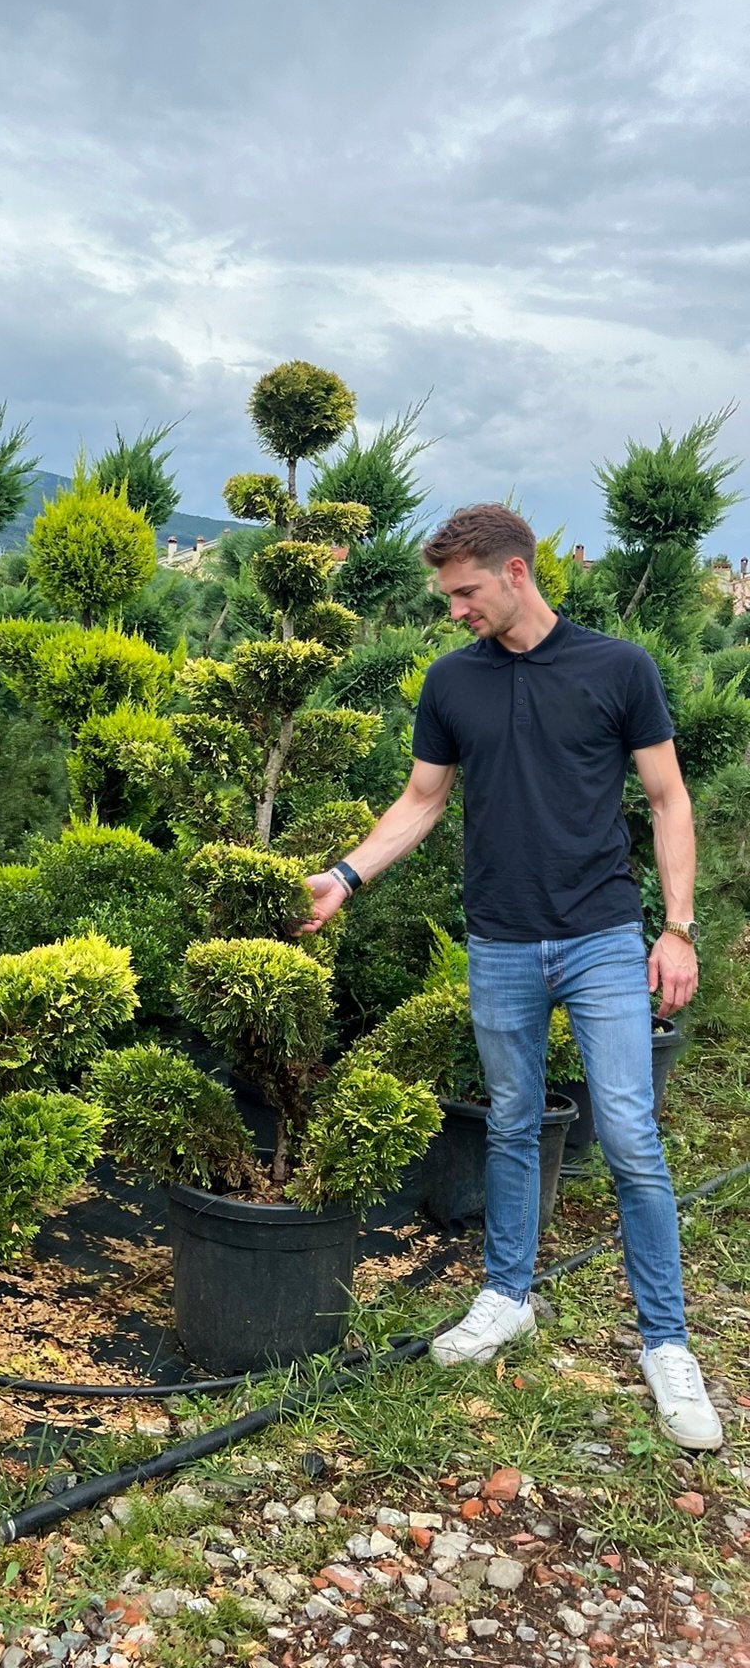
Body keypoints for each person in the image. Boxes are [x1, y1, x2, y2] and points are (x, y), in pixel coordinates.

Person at [301, 502, 721, 1450]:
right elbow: (421, 800)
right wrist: (346, 873)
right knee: (512, 1122)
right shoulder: (453, 682)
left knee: (628, 1134)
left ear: (518, 573)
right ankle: (506, 1296)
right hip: (499, 941)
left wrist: (679, 929)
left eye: (465, 592)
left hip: (605, 937)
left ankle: (666, 1343)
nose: (454, 610)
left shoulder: (619, 669)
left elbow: (667, 799)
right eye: (448, 595)